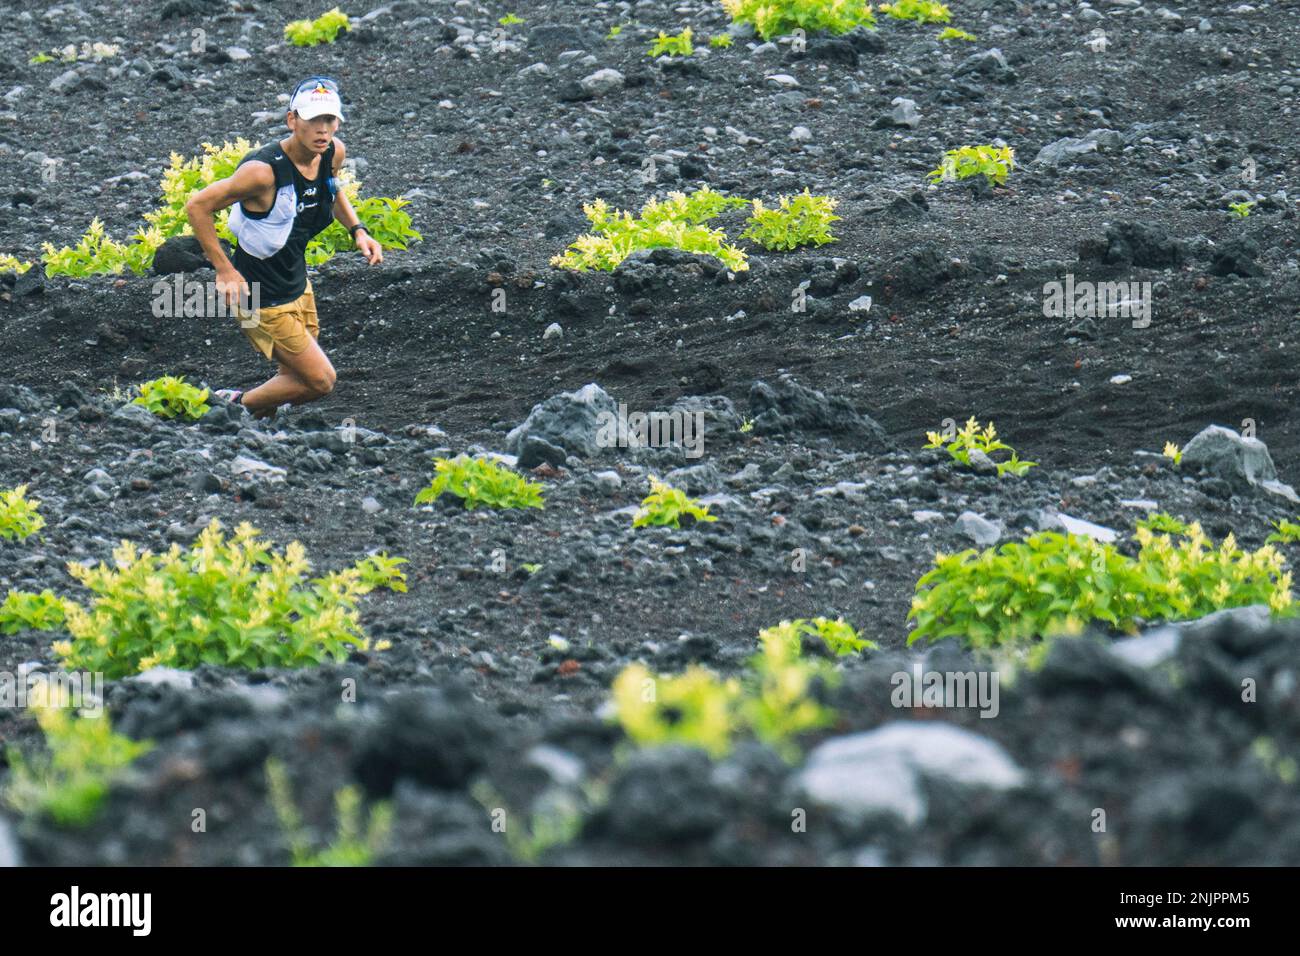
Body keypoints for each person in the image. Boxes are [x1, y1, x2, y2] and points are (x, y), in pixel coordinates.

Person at [184, 76, 383, 418]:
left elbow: (331, 190)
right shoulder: (262, 174)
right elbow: (197, 206)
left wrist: (358, 230)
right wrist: (224, 269)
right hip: (259, 297)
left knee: (296, 376)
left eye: (330, 120)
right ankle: (234, 406)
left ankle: (255, 419)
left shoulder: (332, 152)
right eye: (313, 120)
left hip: (297, 285)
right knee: (320, 381)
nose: (323, 130)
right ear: (293, 120)